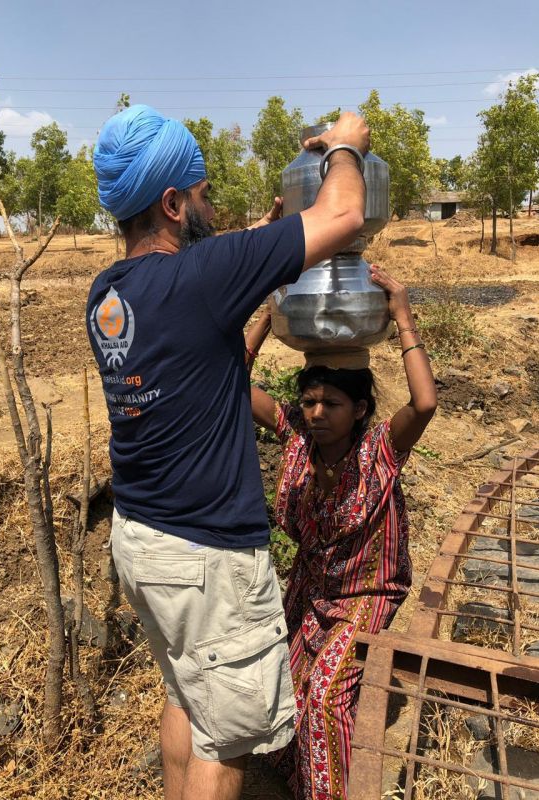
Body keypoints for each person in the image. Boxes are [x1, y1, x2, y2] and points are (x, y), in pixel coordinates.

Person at [86, 103, 370, 800]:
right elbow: (344, 218)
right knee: (230, 738)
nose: (212, 208)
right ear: (174, 202)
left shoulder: (109, 296)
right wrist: (346, 147)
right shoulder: (206, 276)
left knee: (188, 695)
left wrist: (263, 240)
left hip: (143, 543)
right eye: (204, 194)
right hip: (205, 559)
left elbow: (205, 306)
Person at [247, 267, 437, 800]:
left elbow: (424, 403)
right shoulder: (297, 440)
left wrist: (401, 315)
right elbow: (231, 382)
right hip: (311, 590)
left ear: (358, 410)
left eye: (330, 404)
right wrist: (269, 315)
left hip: (365, 595)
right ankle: (298, 774)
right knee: (281, 683)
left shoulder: (379, 451)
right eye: (309, 402)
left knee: (328, 695)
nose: (316, 413)